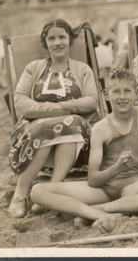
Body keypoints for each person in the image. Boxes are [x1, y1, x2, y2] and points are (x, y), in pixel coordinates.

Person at [30, 68, 138, 232]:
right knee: (38, 191)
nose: (122, 97)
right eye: (116, 92)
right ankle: (100, 214)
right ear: (107, 95)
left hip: (132, 184)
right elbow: (93, 179)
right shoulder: (100, 128)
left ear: (136, 93)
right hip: (101, 189)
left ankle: (101, 211)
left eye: (127, 91)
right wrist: (117, 168)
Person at [8, 19, 99, 218]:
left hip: (75, 125)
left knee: (71, 124)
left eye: (62, 37)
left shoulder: (83, 69)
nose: (57, 42)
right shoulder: (33, 68)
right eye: (52, 38)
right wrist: (43, 110)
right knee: (45, 128)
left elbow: (92, 100)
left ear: (70, 40)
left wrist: (60, 107)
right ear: (45, 42)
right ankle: (21, 193)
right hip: (35, 124)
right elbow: (20, 98)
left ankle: (52, 190)